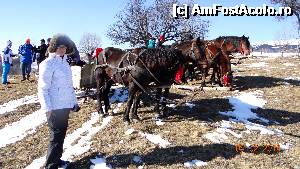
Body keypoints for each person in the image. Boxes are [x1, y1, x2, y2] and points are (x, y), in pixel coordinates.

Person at [38, 34, 80, 169]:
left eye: (64, 47)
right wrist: (47, 108)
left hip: (65, 106)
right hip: (54, 107)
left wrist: (74, 102)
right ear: (54, 47)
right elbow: (43, 89)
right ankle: (51, 165)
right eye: (60, 47)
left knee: (61, 135)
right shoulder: (47, 64)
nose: (62, 50)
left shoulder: (65, 63)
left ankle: (57, 159)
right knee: (55, 138)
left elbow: (69, 86)